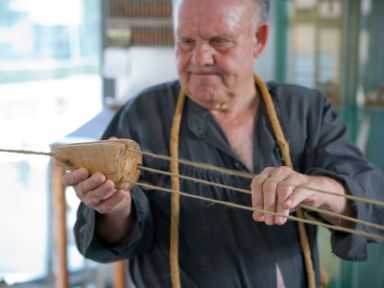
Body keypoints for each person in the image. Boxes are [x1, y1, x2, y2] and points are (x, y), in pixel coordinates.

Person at [63, 0, 384, 287]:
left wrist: (319, 189)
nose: (200, 58)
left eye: (219, 41)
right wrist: (116, 209)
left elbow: (373, 202)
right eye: (186, 42)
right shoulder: (142, 116)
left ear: (258, 39)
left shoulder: (306, 111)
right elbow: (106, 240)